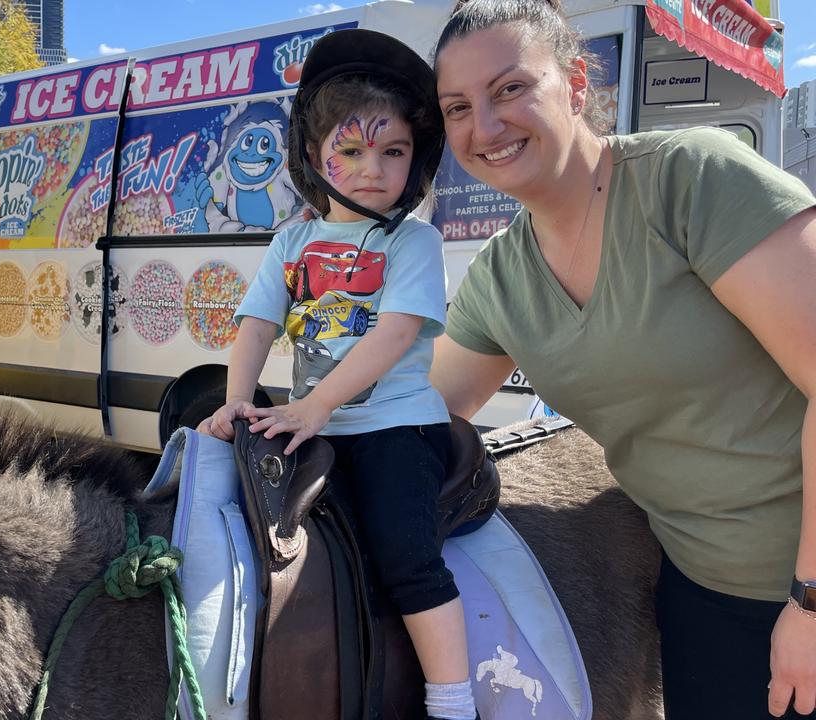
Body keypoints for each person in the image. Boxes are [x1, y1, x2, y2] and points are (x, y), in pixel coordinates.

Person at [429, 1, 816, 718]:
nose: (483, 126)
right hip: (703, 591)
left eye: (510, 88)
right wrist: (281, 423)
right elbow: (423, 411)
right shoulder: (503, 276)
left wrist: (810, 603)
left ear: (578, 83)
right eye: (457, 106)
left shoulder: (689, 181)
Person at [197, 29, 477, 720]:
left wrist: (317, 404)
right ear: (315, 159)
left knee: (405, 556)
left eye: (392, 151)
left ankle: (453, 699)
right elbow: (258, 324)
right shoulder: (292, 241)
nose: (371, 168)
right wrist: (237, 401)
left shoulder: (413, 241)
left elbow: (396, 333)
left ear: (414, 162)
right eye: (349, 151)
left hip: (394, 425)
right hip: (313, 420)